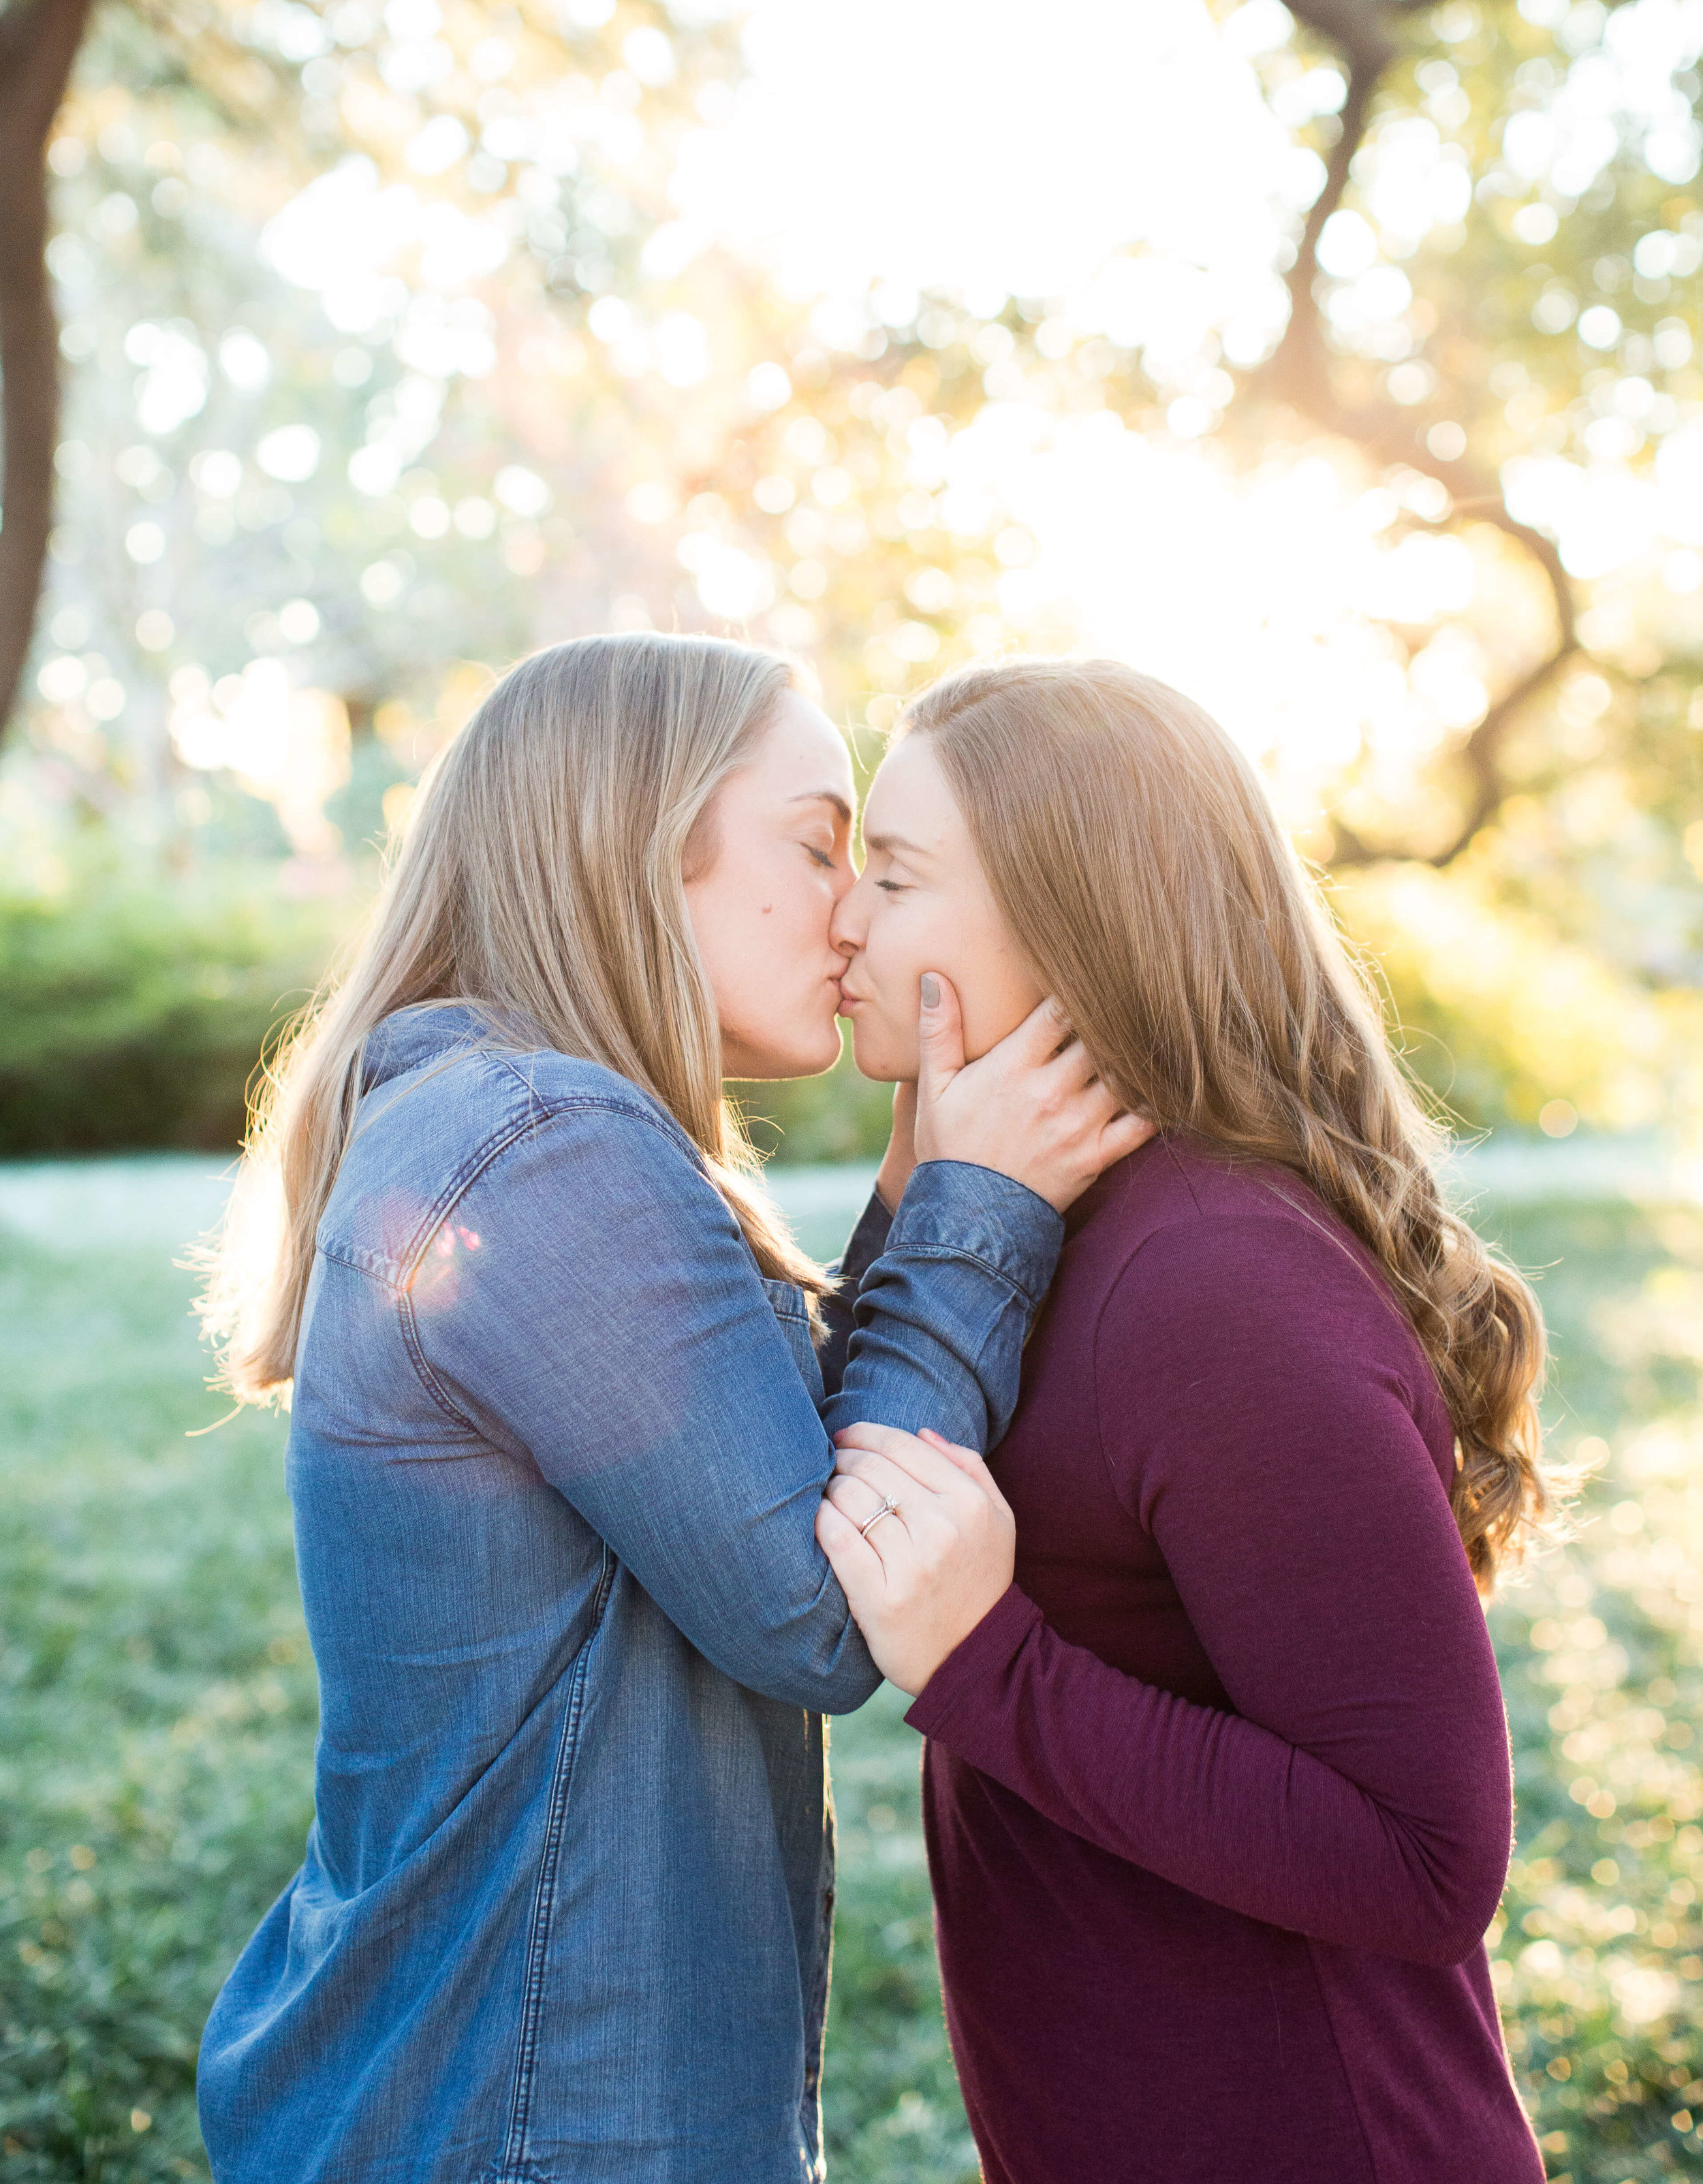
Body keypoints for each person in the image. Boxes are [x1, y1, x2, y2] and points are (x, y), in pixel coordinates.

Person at [193, 633, 1146, 2184]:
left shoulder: (491, 1110)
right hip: (526, 2115)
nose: (852, 907)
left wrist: (916, 1197)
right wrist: (979, 1209)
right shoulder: (547, 1145)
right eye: (816, 843)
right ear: (636, 844)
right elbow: (827, 1612)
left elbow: (760, 1471)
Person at [817, 655, 1554, 2184]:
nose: (840, 919)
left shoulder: (1213, 1286)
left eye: (889, 877)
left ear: (1073, 915)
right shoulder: (1036, 1219)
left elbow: (1426, 1859)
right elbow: (828, 1453)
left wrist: (983, 1664)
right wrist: (921, 1201)